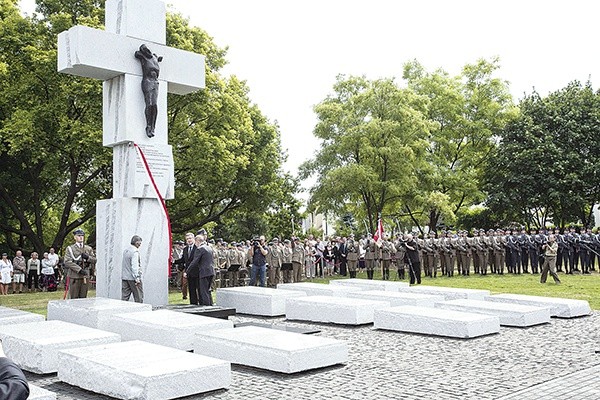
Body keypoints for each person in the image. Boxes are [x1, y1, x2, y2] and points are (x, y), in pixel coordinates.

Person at [135, 44, 163, 138]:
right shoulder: (143, 57)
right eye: (145, 50)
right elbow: (136, 54)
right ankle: (148, 126)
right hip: (147, 81)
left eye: (147, 49)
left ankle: (153, 127)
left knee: (155, 105)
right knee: (149, 104)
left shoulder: (155, 57)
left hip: (155, 82)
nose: (147, 51)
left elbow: (158, 58)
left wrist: (159, 59)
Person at [63, 228, 96, 299]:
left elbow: (94, 260)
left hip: (85, 275)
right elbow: (67, 261)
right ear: (75, 237)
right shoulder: (70, 248)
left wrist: (88, 257)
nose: (81, 237)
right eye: (79, 235)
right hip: (75, 275)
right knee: (74, 297)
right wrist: (79, 269)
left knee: (83, 297)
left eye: (82, 235)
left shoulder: (88, 248)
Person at [185, 229, 215, 305]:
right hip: (211, 271)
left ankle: (206, 307)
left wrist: (187, 272)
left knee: (203, 292)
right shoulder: (209, 248)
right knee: (208, 291)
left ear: (197, 241)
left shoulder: (200, 249)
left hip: (204, 272)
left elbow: (194, 262)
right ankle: (210, 306)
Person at [122, 235, 144, 303]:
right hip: (133, 278)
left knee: (124, 298)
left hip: (125, 277)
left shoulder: (126, 251)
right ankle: (139, 311)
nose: (140, 244)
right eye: (140, 243)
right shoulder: (135, 252)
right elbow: (135, 266)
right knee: (138, 297)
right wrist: (137, 278)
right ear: (137, 243)